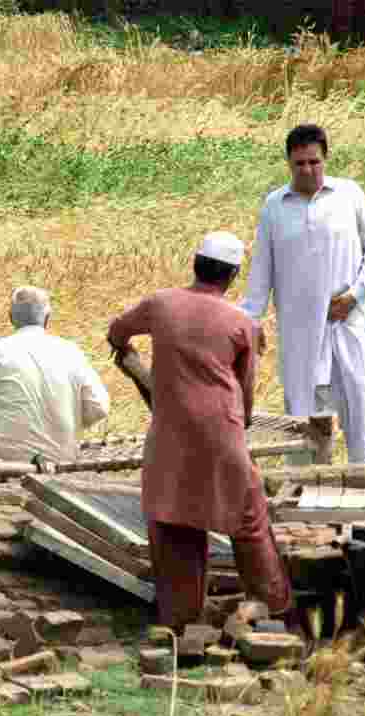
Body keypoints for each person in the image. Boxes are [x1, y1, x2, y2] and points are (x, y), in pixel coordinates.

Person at [107, 232, 293, 632]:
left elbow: (117, 332)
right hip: (222, 437)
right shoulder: (243, 323)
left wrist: (132, 359)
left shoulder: (160, 304)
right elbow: (244, 396)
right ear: (232, 276)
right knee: (248, 519)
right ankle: (271, 605)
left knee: (175, 523)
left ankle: (183, 623)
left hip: (169, 438)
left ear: (195, 263)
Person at [240, 123, 365, 464]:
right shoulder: (275, 206)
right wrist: (250, 321)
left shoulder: (349, 195)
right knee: (304, 426)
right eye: (300, 164)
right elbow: (261, 271)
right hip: (301, 335)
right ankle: (307, 501)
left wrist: (355, 295)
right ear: (288, 164)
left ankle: (361, 496)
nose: (308, 170)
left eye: (314, 162)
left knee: (361, 416)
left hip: (348, 327)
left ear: (325, 158)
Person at [0, 286, 110, 465]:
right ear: (47, 318)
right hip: (62, 455)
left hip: (3, 454)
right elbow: (100, 408)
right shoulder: (71, 351)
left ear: (11, 318)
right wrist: (67, 422)